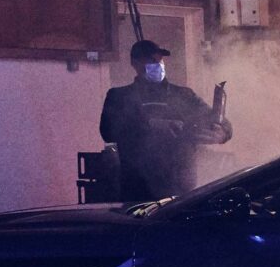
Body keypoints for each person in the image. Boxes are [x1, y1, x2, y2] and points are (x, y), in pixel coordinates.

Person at [98, 38, 232, 202]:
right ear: (135, 63)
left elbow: (217, 120)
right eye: (151, 60)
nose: (158, 64)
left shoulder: (184, 95)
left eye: (160, 60)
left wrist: (222, 133)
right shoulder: (119, 96)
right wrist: (151, 124)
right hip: (137, 188)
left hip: (181, 189)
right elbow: (107, 131)